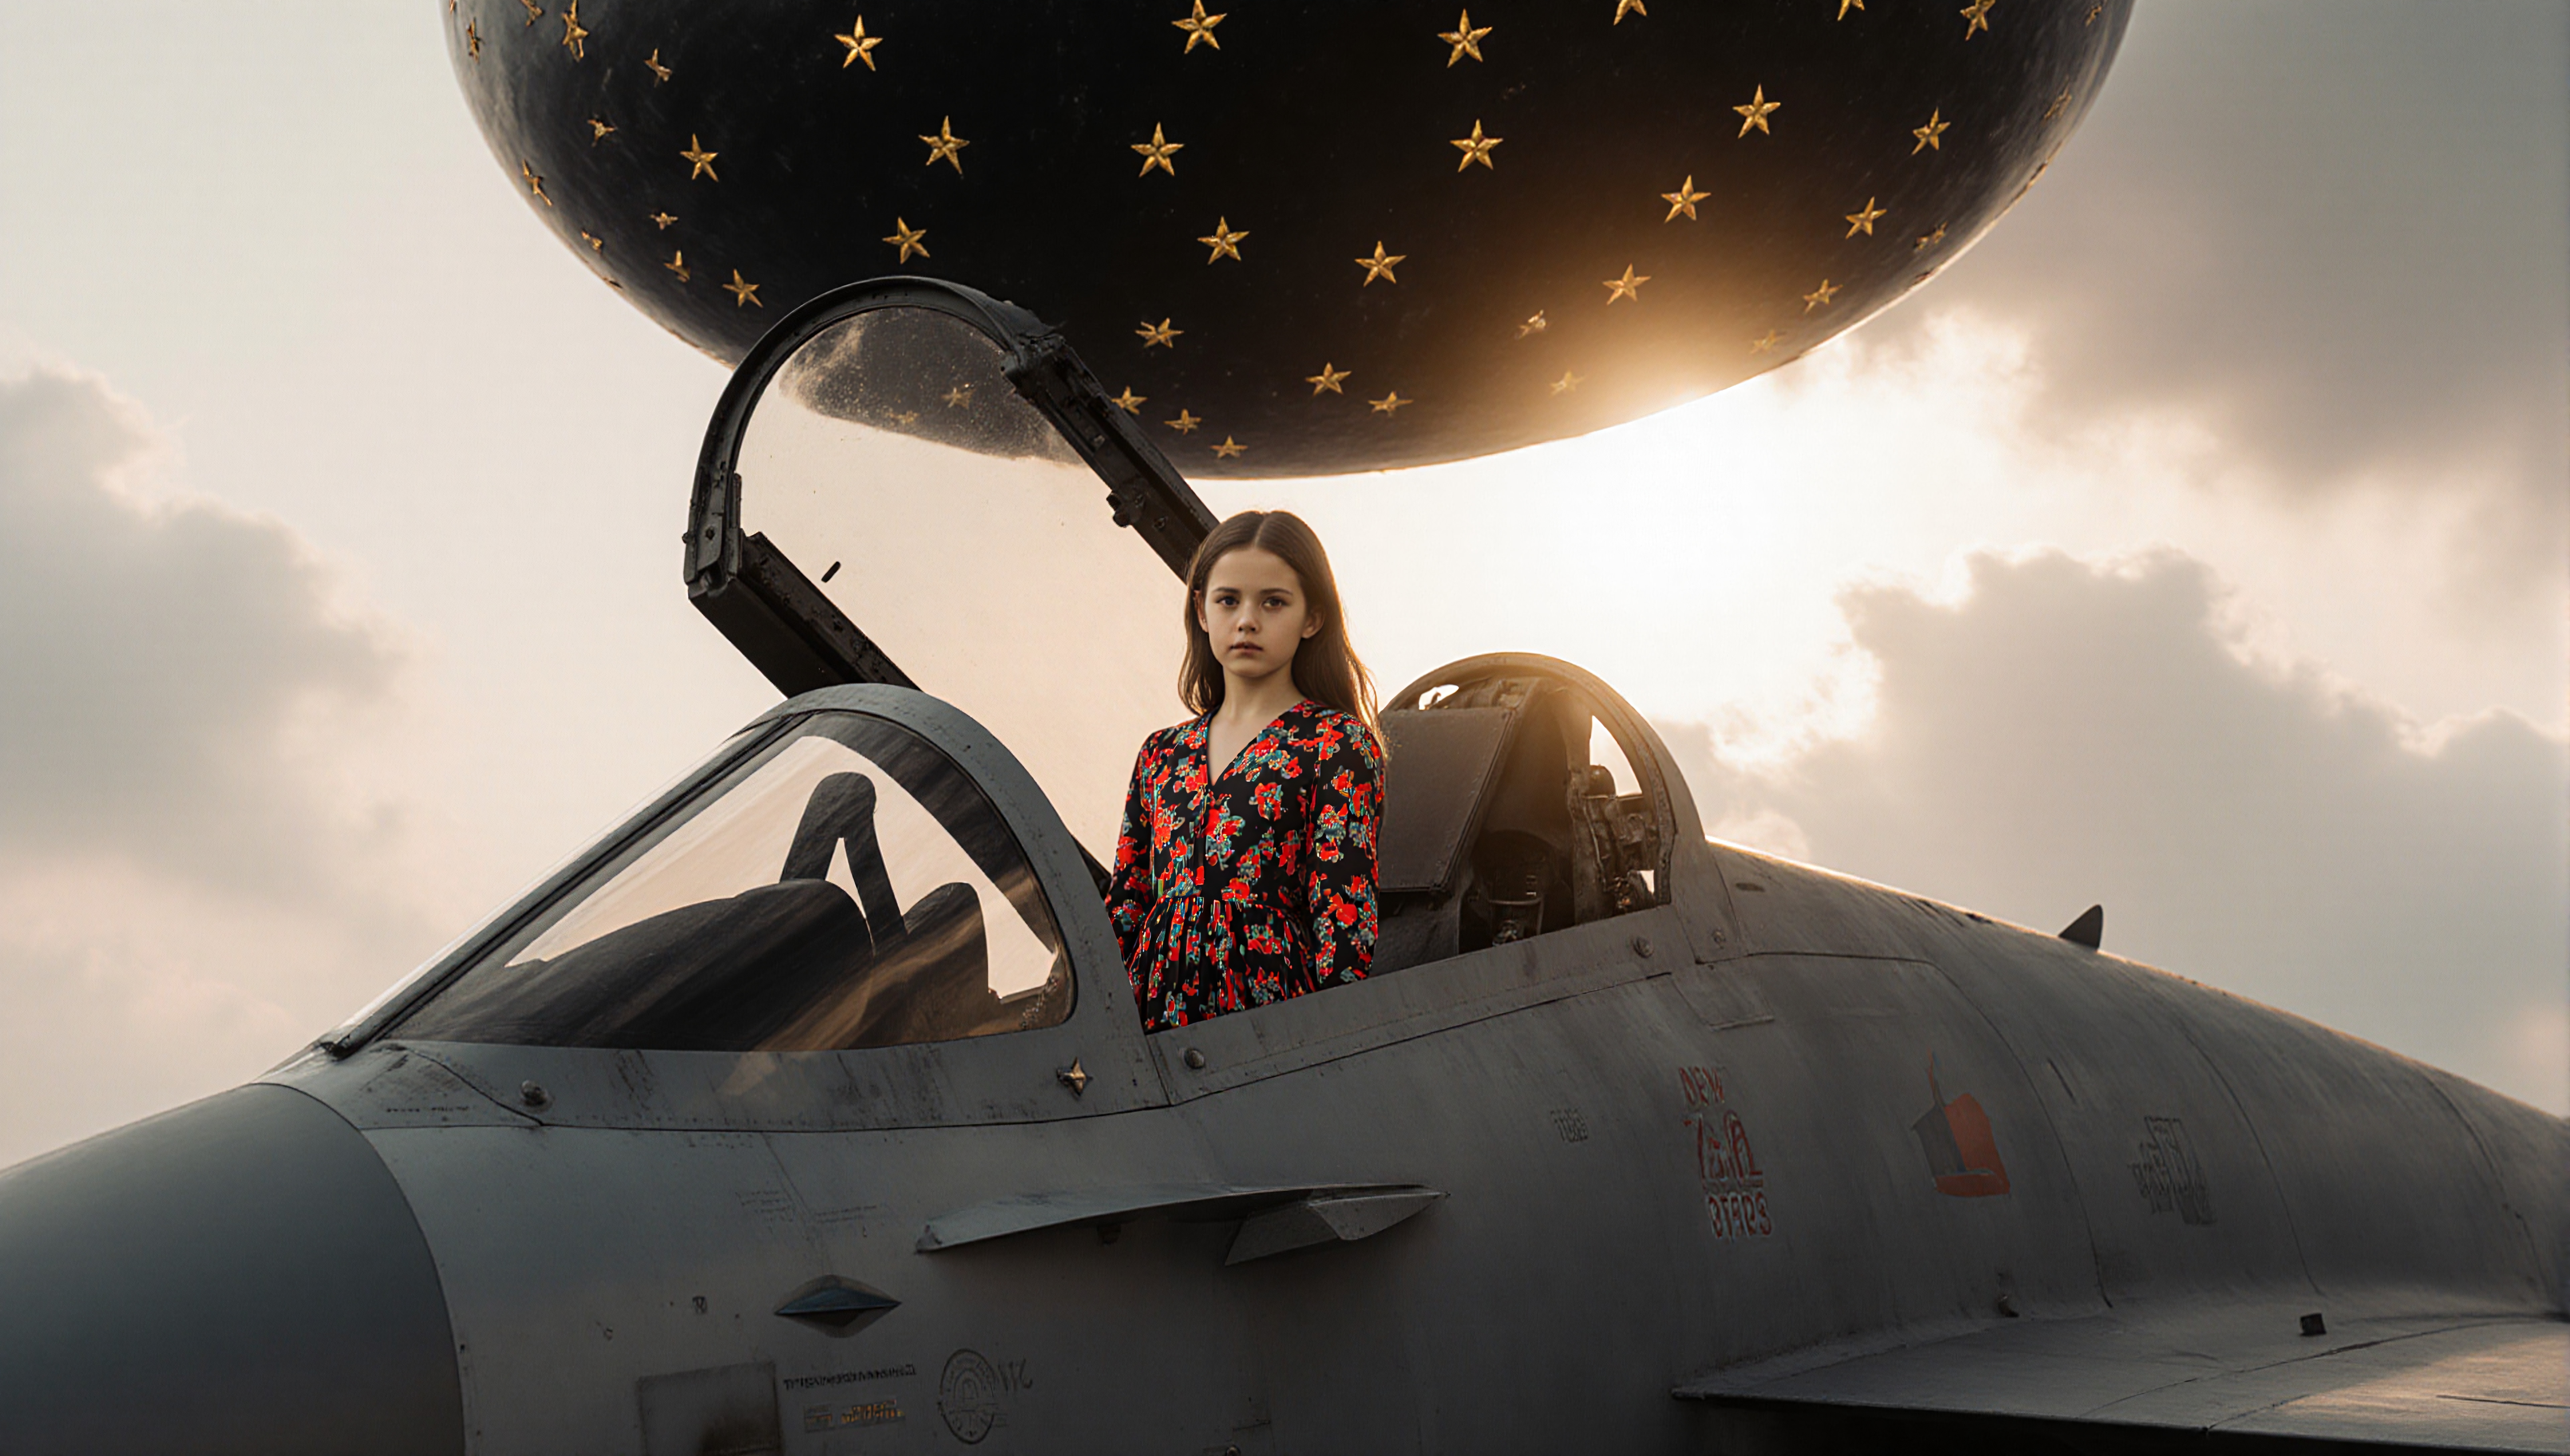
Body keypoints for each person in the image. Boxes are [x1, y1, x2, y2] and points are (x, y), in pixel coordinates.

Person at [1105, 511, 1385, 1032]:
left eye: (1273, 602)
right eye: (1229, 600)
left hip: (1271, 1035)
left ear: (1313, 618)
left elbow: (1344, 917)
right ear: (1203, 611)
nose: (1247, 620)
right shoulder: (1162, 753)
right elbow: (1127, 905)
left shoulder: (1335, 745)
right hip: (1150, 1035)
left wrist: (1328, 1049)